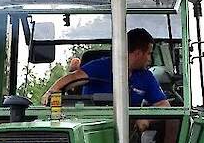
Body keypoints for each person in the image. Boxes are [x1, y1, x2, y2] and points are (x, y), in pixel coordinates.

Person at [41, 28, 170, 111]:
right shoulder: (101, 67)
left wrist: (147, 119)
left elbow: (164, 105)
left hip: (129, 128)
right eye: (149, 53)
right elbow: (73, 78)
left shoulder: (145, 76)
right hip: (93, 121)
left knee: (173, 122)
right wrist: (52, 91)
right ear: (137, 53)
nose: (150, 59)